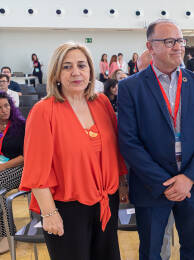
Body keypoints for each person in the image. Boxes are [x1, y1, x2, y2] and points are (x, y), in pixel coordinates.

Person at [118, 19, 194, 260]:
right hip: (151, 188)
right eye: (169, 41)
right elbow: (129, 142)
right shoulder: (131, 87)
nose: (178, 47)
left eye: (181, 40)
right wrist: (166, 183)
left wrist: (188, 178)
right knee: (151, 251)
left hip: (191, 186)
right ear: (150, 47)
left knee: (192, 250)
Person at [19, 42, 128, 260]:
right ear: (56, 73)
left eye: (81, 65)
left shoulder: (102, 102)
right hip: (66, 209)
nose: (76, 72)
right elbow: (37, 170)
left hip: (106, 200)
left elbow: (114, 151)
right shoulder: (44, 111)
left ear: (90, 70)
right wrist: (50, 214)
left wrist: (122, 183)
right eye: (67, 67)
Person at [0, 92, 25, 254]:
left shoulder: (21, 126)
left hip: (20, 168)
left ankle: (7, 235)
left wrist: (3, 167)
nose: (3, 110)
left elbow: (25, 156)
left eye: (6, 105)